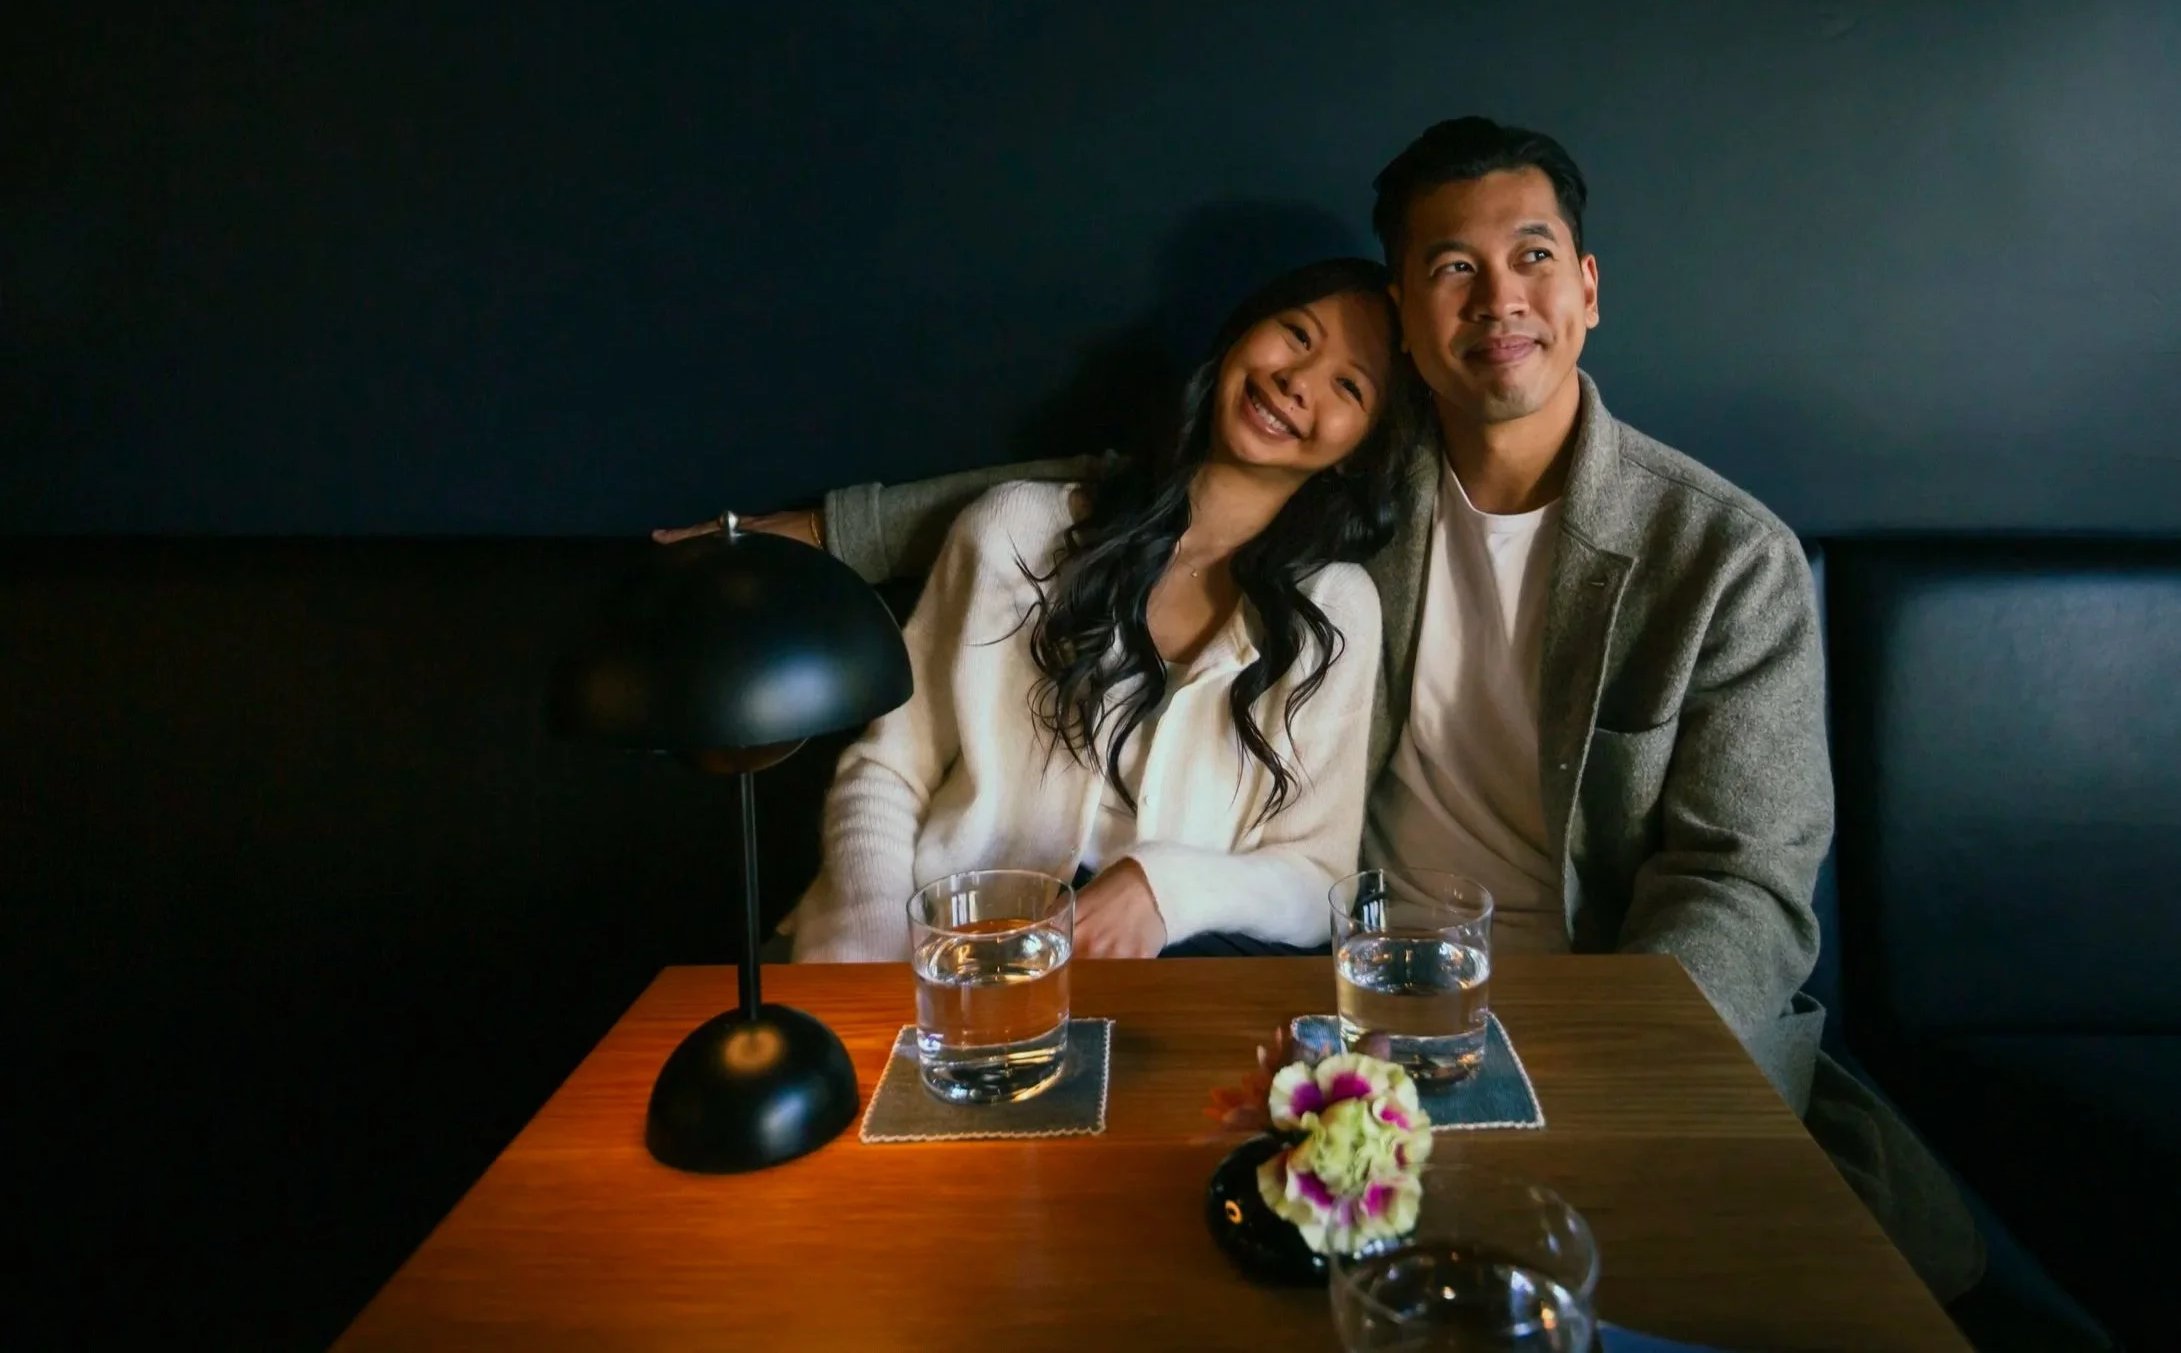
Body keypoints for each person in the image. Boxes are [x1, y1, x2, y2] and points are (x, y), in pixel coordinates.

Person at [661, 120, 1985, 1308]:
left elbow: (1744, 888)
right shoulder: (1363, 493)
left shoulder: (1721, 557)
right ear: (1409, 317)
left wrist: (1593, 1078)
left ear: (1586, 289)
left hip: (1610, 1009)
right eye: (1451, 268)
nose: (1498, 296)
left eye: (1532, 256)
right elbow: (1111, 489)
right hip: (1360, 996)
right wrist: (822, 530)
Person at [784, 257, 1424, 963]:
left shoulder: (1333, 612)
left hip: (1171, 980)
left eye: (1347, 386)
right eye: (1295, 335)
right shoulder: (1012, 531)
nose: (1296, 382)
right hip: (957, 951)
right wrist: (864, 950)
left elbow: (1317, 879)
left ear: (1356, 452)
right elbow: (886, 772)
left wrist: (1163, 890)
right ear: (1238, 339)